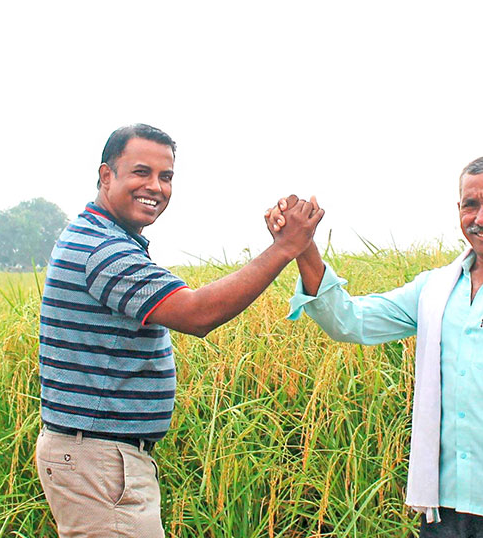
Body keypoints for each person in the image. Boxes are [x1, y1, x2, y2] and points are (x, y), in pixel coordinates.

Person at [267, 156, 483, 538]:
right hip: (445, 511)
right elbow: (350, 321)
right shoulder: (435, 290)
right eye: (470, 205)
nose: (482, 217)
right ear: (458, 211)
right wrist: (304, 247)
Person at [36, 123, 323, 538]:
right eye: (140, 172)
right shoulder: (103, 250)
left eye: (165, 176)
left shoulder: (103, 236)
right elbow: (196, 313)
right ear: (105, 176)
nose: (155, 187)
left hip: (95, 456)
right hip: (98, 459)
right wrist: (285, 248)